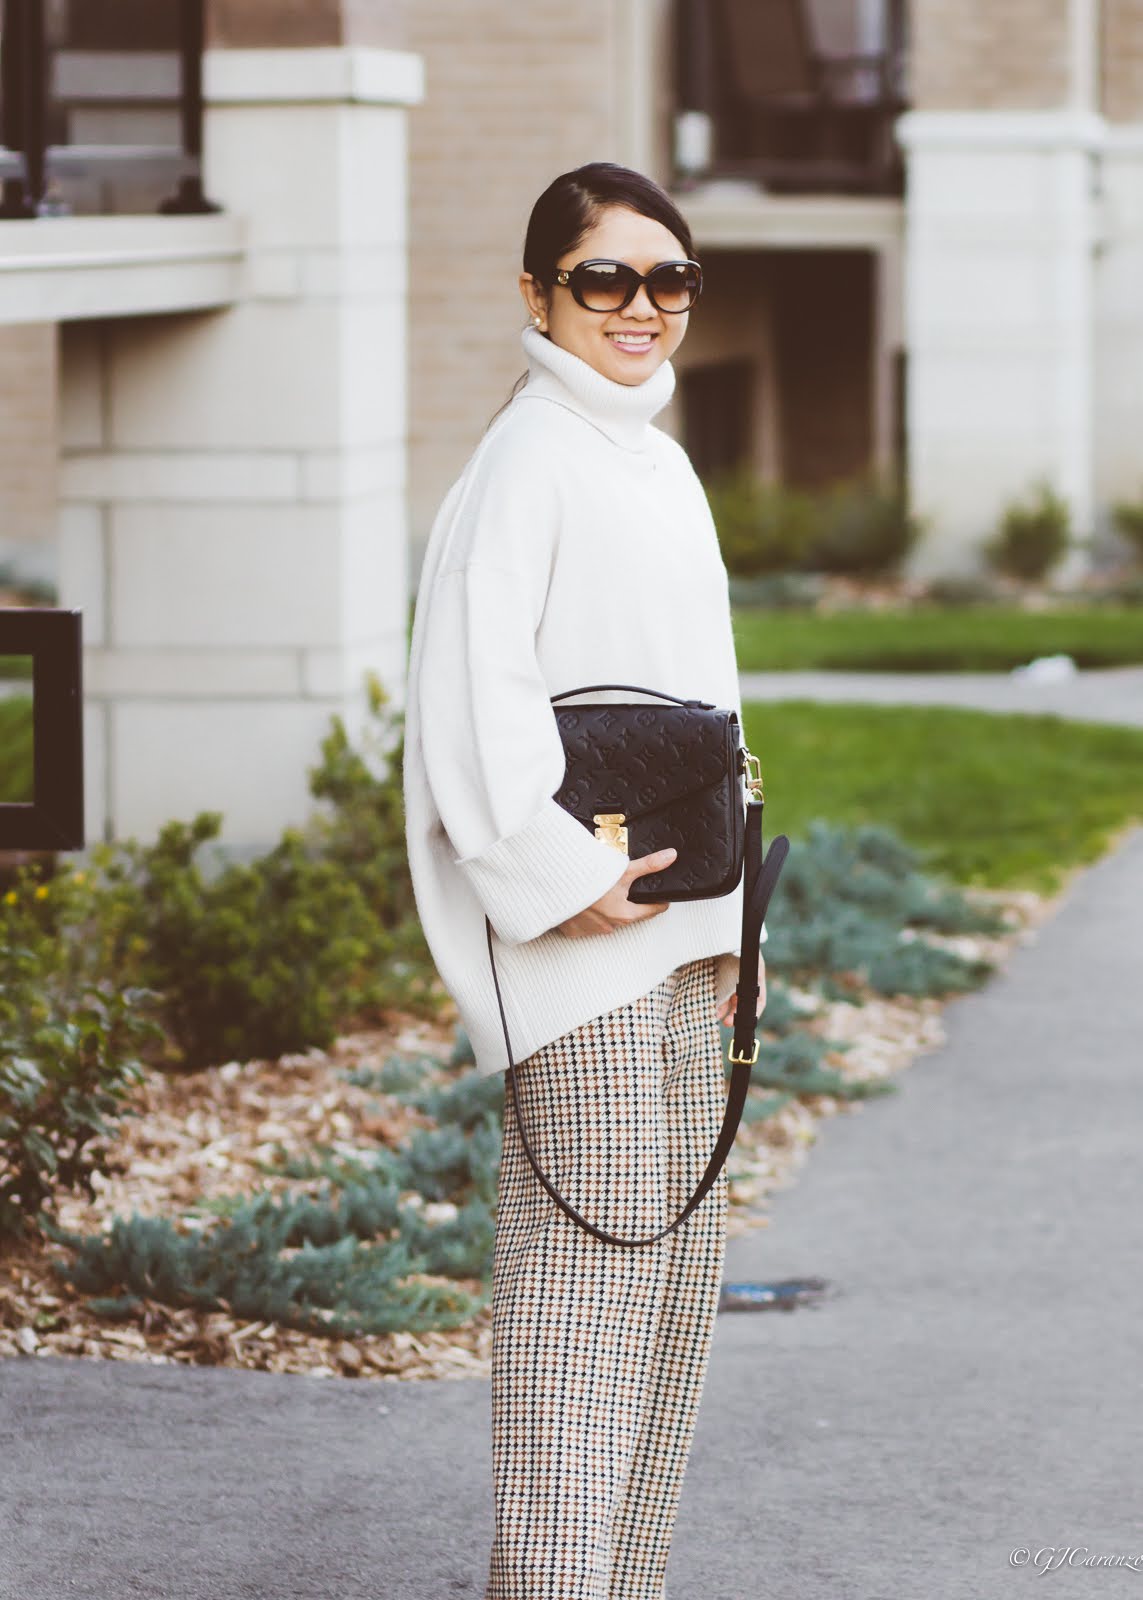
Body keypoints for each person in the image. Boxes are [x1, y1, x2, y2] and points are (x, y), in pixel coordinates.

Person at [402, 161, 768, 1600]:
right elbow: (468, 706)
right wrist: (558, 887)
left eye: (668, 279)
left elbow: (702, 706)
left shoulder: (652, 457)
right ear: (538, 294)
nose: (641, 308)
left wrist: (729, 922)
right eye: (606, 278)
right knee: (583, 1304)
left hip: (681, 938)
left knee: (667, 1306)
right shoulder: (529, 460)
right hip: (587, 945)